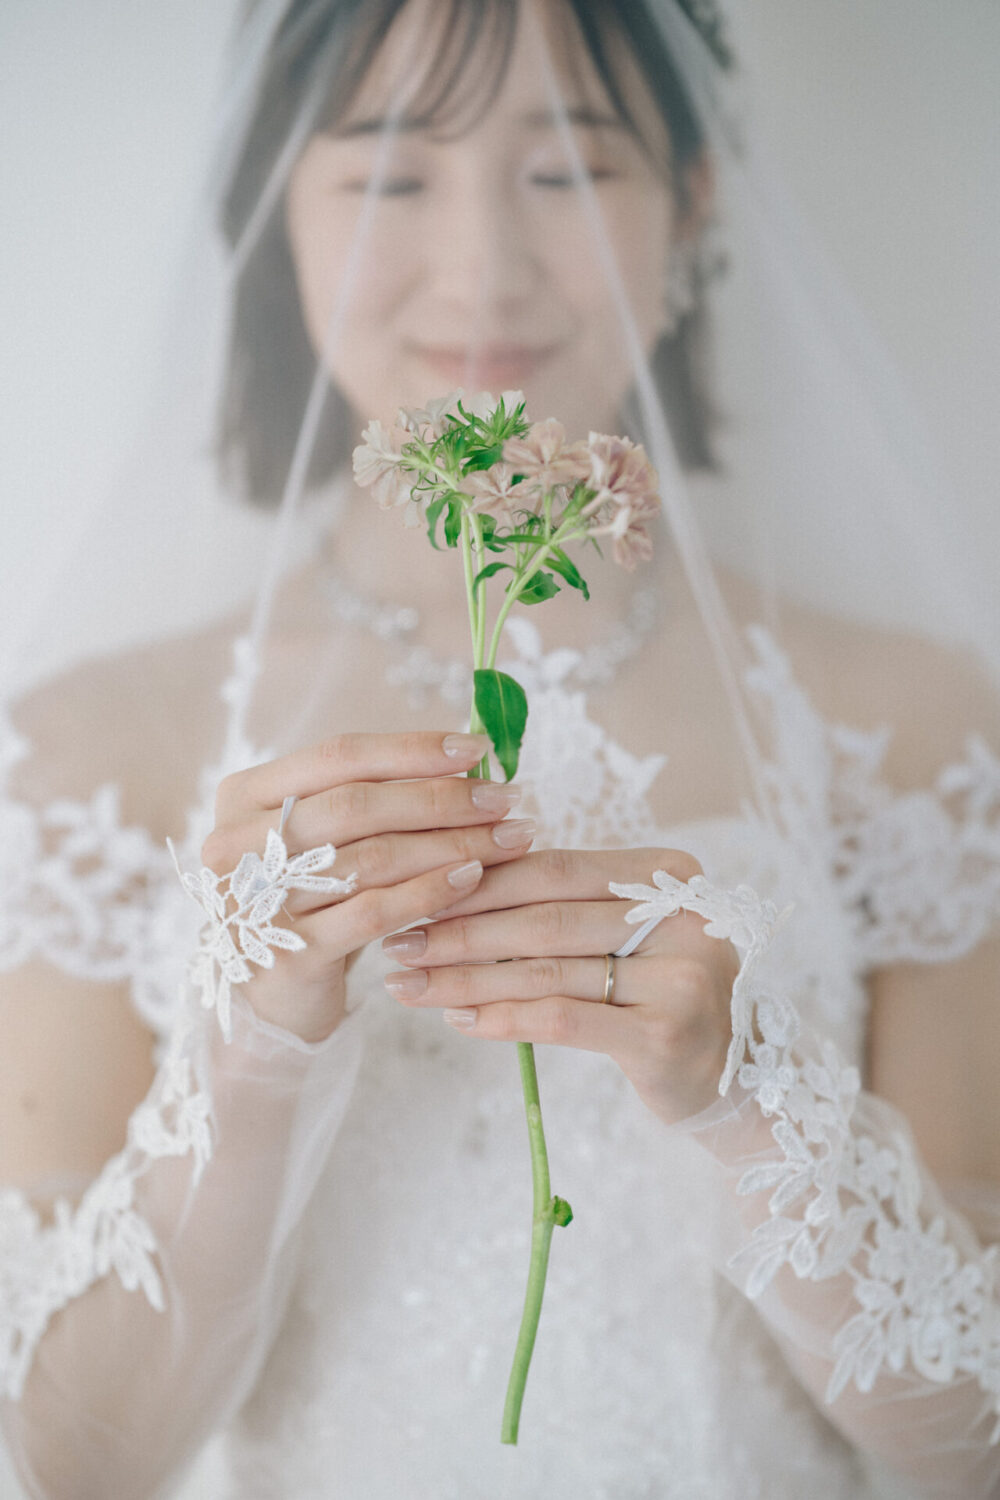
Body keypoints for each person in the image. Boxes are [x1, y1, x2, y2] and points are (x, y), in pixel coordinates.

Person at [2, 1, 999, 1496]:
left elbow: (971, 1450)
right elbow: (73, 1460)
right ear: (284, 210)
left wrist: (755, 1103)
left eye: (572, 170)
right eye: (393, 175)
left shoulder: (917, 730)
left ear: (694, 201)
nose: (483, 269)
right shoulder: (90, 749)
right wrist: (252, 1054)